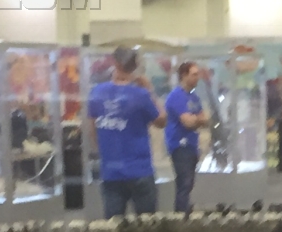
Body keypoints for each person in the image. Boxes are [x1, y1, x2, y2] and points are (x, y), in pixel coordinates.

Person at [87, 46, 167, 219]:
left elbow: (92, 129)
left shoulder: (97, 93)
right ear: (135, 65)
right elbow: (162, 121)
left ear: (115, 63)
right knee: (147, 225)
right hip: (140, 170)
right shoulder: (141, 95)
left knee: (113, 226)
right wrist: (150, 91)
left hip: (111, 171)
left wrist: (104, 152)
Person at [164, 61, 207, 215]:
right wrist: (197, 120)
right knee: (184, 183)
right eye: (194, 74)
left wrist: (196, 119)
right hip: (179, 145)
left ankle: (184, 212)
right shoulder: (176, 96)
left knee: (188, 184)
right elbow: (188, 122)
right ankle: (180, 215)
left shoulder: (194, 97)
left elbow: (205, 119)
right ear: (184, 75)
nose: (197, 77)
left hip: (192, 145)